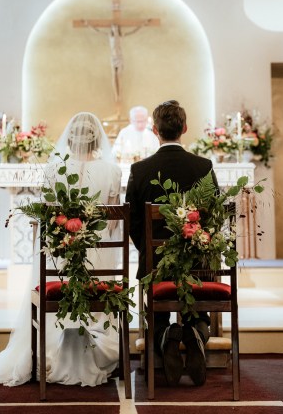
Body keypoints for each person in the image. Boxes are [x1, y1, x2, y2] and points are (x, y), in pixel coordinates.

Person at [0, 112, 122, 387]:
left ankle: (51, 346)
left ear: (69, 138)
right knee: (97, 271)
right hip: (98, 265)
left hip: (61, 265)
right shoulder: (112, 171)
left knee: (55, 273)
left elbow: (45, 222)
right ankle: (95, 347)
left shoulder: (55, 170)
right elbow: (114, 226)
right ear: (96, 140)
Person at [125, 100, 219, 388]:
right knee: (198, 304)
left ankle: (165, 334)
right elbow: (214, 218)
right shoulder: (203, 166)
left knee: (155, 308)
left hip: (155, 265)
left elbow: (133, 222)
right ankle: (196, 330)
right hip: (197, 264)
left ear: (155, 130)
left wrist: (150, 252)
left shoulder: (140, 170)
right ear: (185, 128)